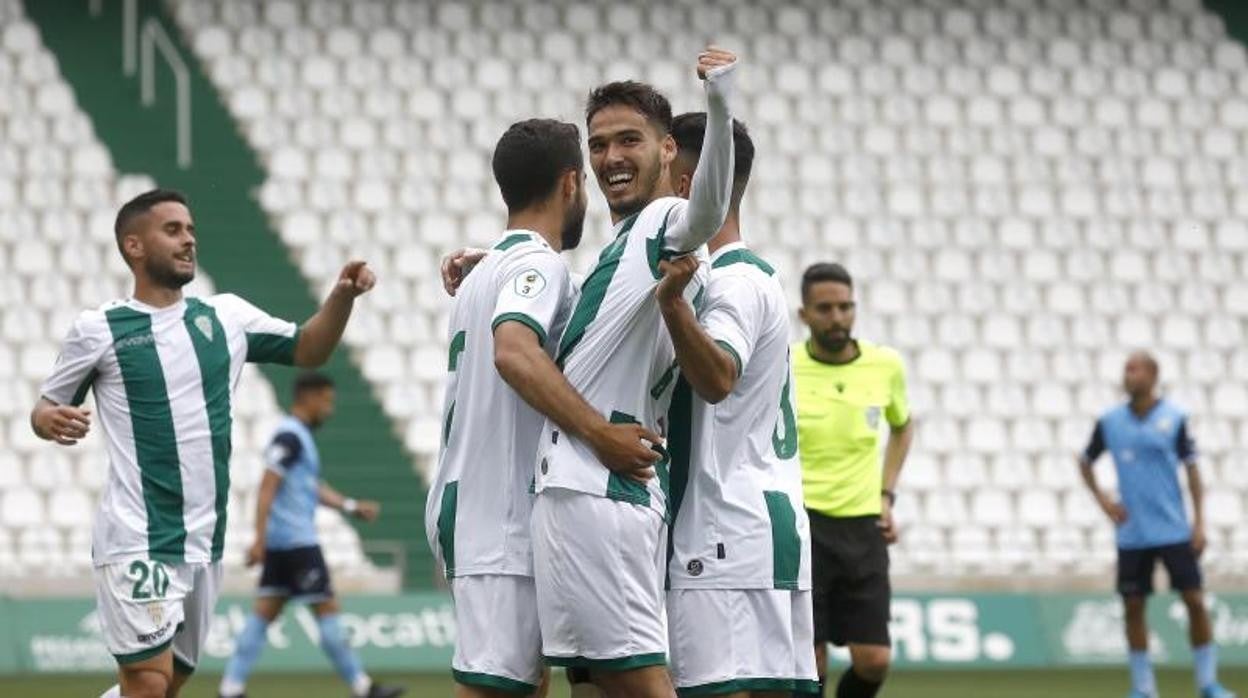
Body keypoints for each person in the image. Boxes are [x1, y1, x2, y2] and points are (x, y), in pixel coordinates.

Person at [30, 189, 374, 698]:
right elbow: (43, 407)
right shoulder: (99, 329)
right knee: (149, 682)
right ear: (134, 246)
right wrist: (48, 419)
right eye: (172, 230)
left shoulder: (227, 317)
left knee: (171, 683)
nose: (189, 239)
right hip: (136, 536)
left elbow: (310, 347)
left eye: (190, 229)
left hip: (202, 542)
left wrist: (342, 297)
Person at [528, 47, 737, 698]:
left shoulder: (662, 225)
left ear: (668, 149)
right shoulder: (619, 250)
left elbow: (704, 210)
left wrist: (720, 102)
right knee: (593, 685)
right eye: (598, 145)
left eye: (629, 140)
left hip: (600, 491)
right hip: (586, 491)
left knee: (642, 683)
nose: (611, 157)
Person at [427, 118, 660, 698]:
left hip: (486, 506)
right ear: (570, 185)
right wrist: (601, 434)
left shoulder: (494, 271)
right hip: (497, 516)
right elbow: (515, 352)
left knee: (528, 684)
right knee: (494, 687)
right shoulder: (537, 265)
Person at [655, 113, 818, 697]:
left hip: (724, 526)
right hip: (755, 520)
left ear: (688, 185)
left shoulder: (733, 282)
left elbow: (718, 374)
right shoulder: (746, 276)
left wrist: (672, 308)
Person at [218, 372, 402, 698]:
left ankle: (230, 688)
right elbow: (267, 486)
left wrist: (349, 505)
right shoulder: (290, 436)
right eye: (327, 401)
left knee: (264, 612)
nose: (329, 409)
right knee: (327, 609)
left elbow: (309, 488)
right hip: (297, 543)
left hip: (282, 544)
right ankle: (363, 688)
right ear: (310, 397)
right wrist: (257, 538)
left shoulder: (296, 436)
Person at [1079, 351, 1235, 698]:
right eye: (1125, 369)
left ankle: (1208, 683)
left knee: (1194, 600)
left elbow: (1192, 469)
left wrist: (1199, 523)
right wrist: (1104, 502)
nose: (1127, 375)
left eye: (1133, 369)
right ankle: (1143, 688)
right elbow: (1085, 461)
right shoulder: (1110, 421)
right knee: (1133, 605)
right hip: (1133, 533)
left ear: (1152, 375)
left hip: (1173, 528)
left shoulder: (1174, 418)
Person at [792, 263, 915, 698]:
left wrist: (886, 495)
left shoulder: (885, 365)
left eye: (845, 307)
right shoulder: (784, 365)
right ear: (804, 315)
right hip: (803, 525)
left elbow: (903, 426)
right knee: (811, 661)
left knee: (875, 660)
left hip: (864, 528)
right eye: (824, 309)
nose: (837, 317)